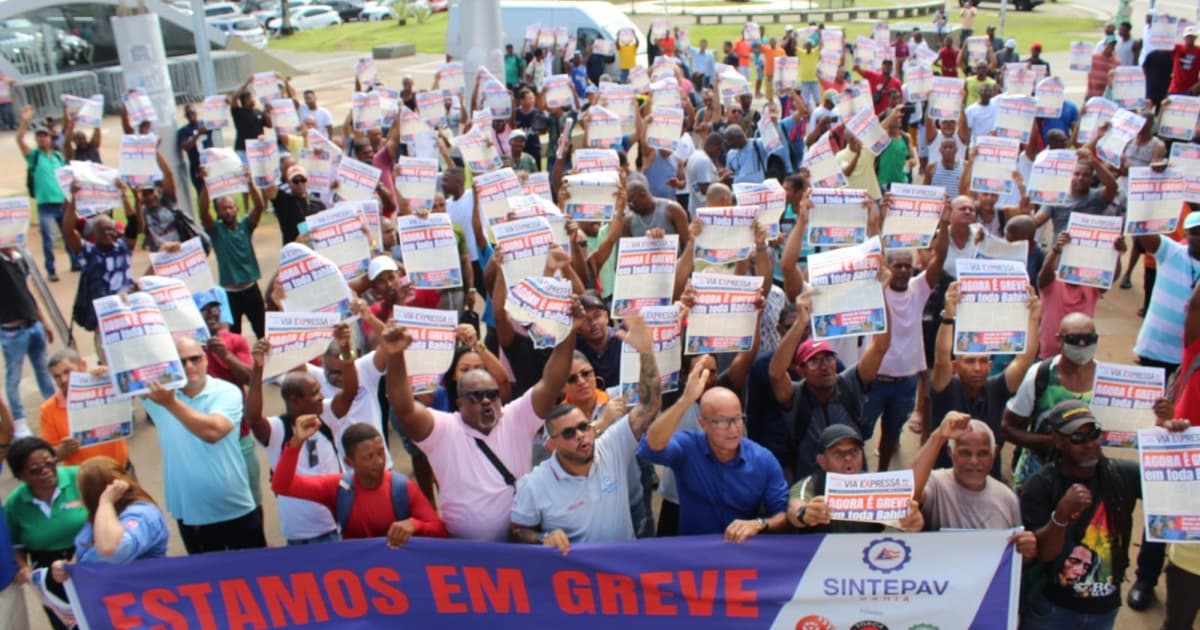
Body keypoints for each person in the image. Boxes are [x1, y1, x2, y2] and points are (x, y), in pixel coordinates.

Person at [387, 282, 579, 542]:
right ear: (460, 401)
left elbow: (551, 383)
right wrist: (396, 356)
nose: (487, 401)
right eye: (477, 396)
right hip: (468, 557)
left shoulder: (515, 418)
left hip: (521, 543)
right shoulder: (443, 429)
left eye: (492, 394)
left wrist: (569, 332)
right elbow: (404, 407)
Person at [510, 310, 661, 552]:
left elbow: (649, 405)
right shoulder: (534, 484)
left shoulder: (611, 446)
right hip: (579, 585)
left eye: (584, 427)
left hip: (624, 578)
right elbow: (517, 530)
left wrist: (645, 352)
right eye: (569, 433)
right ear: (551, 444)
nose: (581, 434)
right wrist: (542, 538)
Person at [1019, 400, 1141, 630]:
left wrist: (1173, 436)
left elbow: (1173, 482)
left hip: (1104, 611)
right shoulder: (1041, 485)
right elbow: (1043, 555)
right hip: (1052, 610)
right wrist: (1061, 515)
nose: (1089, 444)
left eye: (1093, 434)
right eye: (1077, 438)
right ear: (1057, 440)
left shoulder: (1122, 475)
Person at [139, 337, 266, 554]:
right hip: (191, 513)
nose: (189, 366)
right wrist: (101, 372)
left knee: (255, 576)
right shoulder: (156, 397)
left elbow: (213, 432)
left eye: (194, 359)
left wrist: (170, 403)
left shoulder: (226, 392)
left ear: (206, 359)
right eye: (181, 362)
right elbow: (123, 364)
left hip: (234, 506)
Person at [638, 365, 789, 541]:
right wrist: (685, 400)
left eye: (738, 419)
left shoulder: (763, 460)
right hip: (694, 556)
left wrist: (759, 523)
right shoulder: (688, 447)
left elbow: (783, 515)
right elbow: (651, 445)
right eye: (723, 422)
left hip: (741, 553)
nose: (734, 430)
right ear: (704, 424)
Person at [768, 275, 892, 482]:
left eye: (828, 358)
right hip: (812, 489)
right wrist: (800, 323)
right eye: (813, 361)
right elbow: (775, 373)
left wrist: (878, 297)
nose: (824, 366)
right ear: (801, 370)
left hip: (854, 483)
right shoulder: (795, 396)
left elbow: (880, 347)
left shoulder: (850, 383)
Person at [272, 415, 448, 545]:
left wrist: (414, 525)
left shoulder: (403, 488)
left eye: (380, 452)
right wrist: (295, 444)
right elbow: (281, 486)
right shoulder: (336, 487)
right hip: (357, 575)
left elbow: (440, 531)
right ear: (350, 462)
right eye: (368, 457)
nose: (378, 461)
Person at [929, 281, 1040, 477]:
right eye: (970, 361)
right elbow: (941, 359)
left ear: (991, 366)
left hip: (987, 481)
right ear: (955, 366)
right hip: (947, 480)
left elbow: (1024, 360)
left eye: (983, 361)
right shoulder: (945, 387)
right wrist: (948, 317)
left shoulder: (996, 388)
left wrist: (1032, 318)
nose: (977, 368)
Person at [866, 205, 948, 471]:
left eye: (906, 266)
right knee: (860, 430)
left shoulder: (919, 288)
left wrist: (944, 224)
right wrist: (878, 219)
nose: (902, 270)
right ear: (886, 266)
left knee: (892, 431)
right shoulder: (874, 288)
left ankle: (881, 475)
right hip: (873, 379)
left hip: (906, 381)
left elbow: (941, 256)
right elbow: (871, 250)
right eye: (896, 265)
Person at [246, 339, 351, 545]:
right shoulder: (277, 430)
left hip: (334, 525)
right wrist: (258, 368)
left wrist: (347, 351)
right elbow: (252, 417)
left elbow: (350, 392)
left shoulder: (327, 416)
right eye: (314, 393)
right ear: (295, 400)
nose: (322, 397)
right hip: (298, 534)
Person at [912, 412, 1036, 561]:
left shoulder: (1007, 498)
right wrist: (938, 436)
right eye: (965, 453)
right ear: (951, 453)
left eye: (983, 454)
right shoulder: (936, 483)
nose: (974, 461)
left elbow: (1016, 557)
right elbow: (907, 491)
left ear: (994, 453)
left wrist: (1028, 549)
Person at [1003, 312, 1098, 491]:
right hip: (1037, 475)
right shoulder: (1040, 375)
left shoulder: (1106, 380)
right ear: (1059, 339)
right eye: (1074, 339)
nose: (1082, 344)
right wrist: (1054, 443)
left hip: (1088, 479)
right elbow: (1008, 428)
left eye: (1089, 338)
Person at [4, 437, 87, 630]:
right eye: (35, 470)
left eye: (51, 462)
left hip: (89, 559)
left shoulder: (81, 477)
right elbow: (16, 546)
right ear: (20, 476)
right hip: (50, 576)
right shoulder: (15, 505)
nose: (46, 471)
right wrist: (25, 569)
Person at [47, 456, 168, 585]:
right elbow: (82, 554)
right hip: (102, 596)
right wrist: (65, 568)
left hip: (140, 595)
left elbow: (114, 551)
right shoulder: (99, 515)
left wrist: (106, 502)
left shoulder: (142, 514)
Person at [786, 425, 924, 534]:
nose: (848, 458)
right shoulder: (811, 483)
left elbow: (905, 519)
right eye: (839, 453)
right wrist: (804, 513)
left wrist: (913, 521)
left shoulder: (876, 484)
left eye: (854, 452)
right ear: (822, 461)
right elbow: (794, 508)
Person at [63, 187, 137, 359]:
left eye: (111, 229)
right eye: (103, 230)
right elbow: (68, 232)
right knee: (110, 363)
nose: (108, 233)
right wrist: (74, 199)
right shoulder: (88, 253)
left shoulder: (124, 248)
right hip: (104, 323)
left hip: (129, 318)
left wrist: (125, 196)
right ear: (94, 234)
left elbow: (133, 224)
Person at [197, 164, 268, 338]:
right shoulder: (216, 230)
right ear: (219, 212)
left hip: (251, 289)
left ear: (237, 208)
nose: (228, 211)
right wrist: (206, 184)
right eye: (223, 208)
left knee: (263, 332)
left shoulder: (246, 226)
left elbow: (259, 207)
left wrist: (250, 184)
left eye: (231, 207)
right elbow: (203, 211)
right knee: (234, 337)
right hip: (230, 295)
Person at [0, 242, 55, 438]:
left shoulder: (20, 258)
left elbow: (29, 292)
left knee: (43, 370)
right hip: (11, 331)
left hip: (33, 325)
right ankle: (19, 421)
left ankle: (54, 406)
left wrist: (44, 321)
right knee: (13, 377)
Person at [40, 350, 129, 468]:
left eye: (67, 372)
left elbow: (136, 392)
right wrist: (63, 450)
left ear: (83, 366)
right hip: (84, 480)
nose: (63, 380)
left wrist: (112, 376)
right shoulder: (48, 410)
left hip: (121, 469)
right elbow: (48, 456)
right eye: (57, 376)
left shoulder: (104, 386)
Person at [16, 105, 68, 282]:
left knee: (68, 234)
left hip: (61, 202)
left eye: (44, 135)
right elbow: (19, 140)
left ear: (50, 138)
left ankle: (76, 262)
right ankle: (51, 269)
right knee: (48, 239)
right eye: (39, 136)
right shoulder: (34, 156)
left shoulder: (58, 157)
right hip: (45, 204)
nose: (42, 139)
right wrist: (25, 121)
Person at [1034, 147, 1118, 238]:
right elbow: (1037, 221)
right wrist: (1022, 214)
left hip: (1087, 248)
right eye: (1076, 174)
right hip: (1059, 250)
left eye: (1085, 175)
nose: (1080, 178)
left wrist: (1093, 161)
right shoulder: (1056, 196)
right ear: (1070, 176)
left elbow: (1112, 187)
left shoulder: (1097, 196)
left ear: (1091, 180)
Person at [266, 164, 326, 246]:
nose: (300, 183)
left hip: (317, 251)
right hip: (293, 252)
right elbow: (269, 188)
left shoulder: (319, 203)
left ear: (307, 180)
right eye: (296, 180)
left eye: (303, 179)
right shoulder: (283, 202)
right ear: (289, 183)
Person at [176, 105, 213, 197]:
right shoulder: (183, 131)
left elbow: (220, 122)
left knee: (217, 191)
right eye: (188, 113)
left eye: (192, 112)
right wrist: (198, 134)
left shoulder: (205, 124)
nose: (191, 115)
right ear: (185, 116)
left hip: (211, 162)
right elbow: (185, 146)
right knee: (201, 193)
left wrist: (223, 104)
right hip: (197, 164)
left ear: (197, 112)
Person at [1169, 27, 1200, 95]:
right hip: (1175, 89)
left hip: (1191, 91)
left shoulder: (1198, 51)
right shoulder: (1177, 48)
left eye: (1192, 36)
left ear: (1195, 38)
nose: (1189, 38)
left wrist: (1198, 86)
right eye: (1188, 36)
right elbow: (1163, 46)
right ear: (1184, 37)